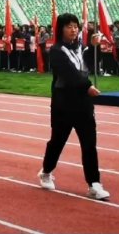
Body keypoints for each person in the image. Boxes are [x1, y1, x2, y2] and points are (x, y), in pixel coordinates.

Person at [38, 13, 110, 200]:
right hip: (63, 104)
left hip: (83, 104)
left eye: (76, 26)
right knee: (57, 142)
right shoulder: (56, 51)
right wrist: (88, 86)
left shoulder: (82, 48)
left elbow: (92, 65)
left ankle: (94, 183)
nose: (73, 29)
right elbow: (69, 74)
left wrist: (95, 47)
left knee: (89, 144)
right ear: (60, 29)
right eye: (69, 26)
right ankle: (46, 171)